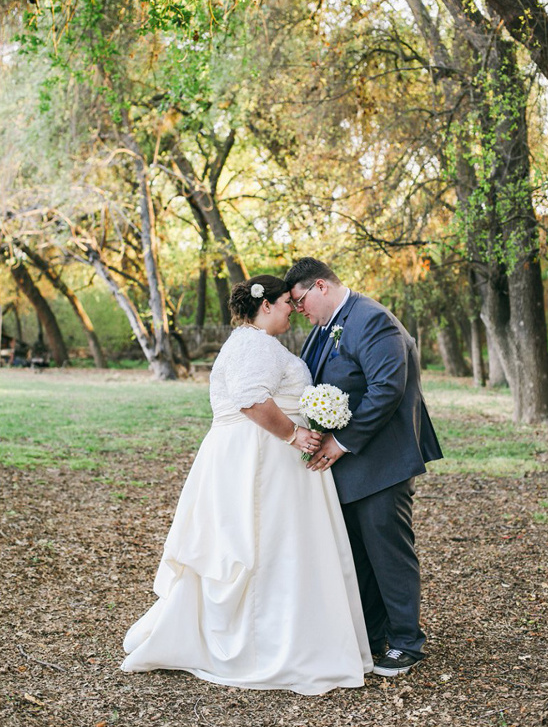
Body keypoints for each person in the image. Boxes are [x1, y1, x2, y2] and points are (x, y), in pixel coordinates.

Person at [121, 275, 373, 694]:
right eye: (286, 303)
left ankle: (285, 636)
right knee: (266, 545)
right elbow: (251, 400)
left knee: (275, 546)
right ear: (267, 305)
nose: (293, 309)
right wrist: (294, 434)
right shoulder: (254, 343)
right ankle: (268, 646)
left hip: (254, 455)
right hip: (260, 458)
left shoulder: (253, 342)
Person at [285, 258, 443, 677]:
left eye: (300, 301)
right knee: (359, 554)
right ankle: (372, 637)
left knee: (388, 551)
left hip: (382, 461)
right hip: (351, 465)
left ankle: (407, 641)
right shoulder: (325, 328)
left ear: (320, 286)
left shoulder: (373, 320)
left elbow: (387, 388)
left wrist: (341, 440)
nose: (299, 311)